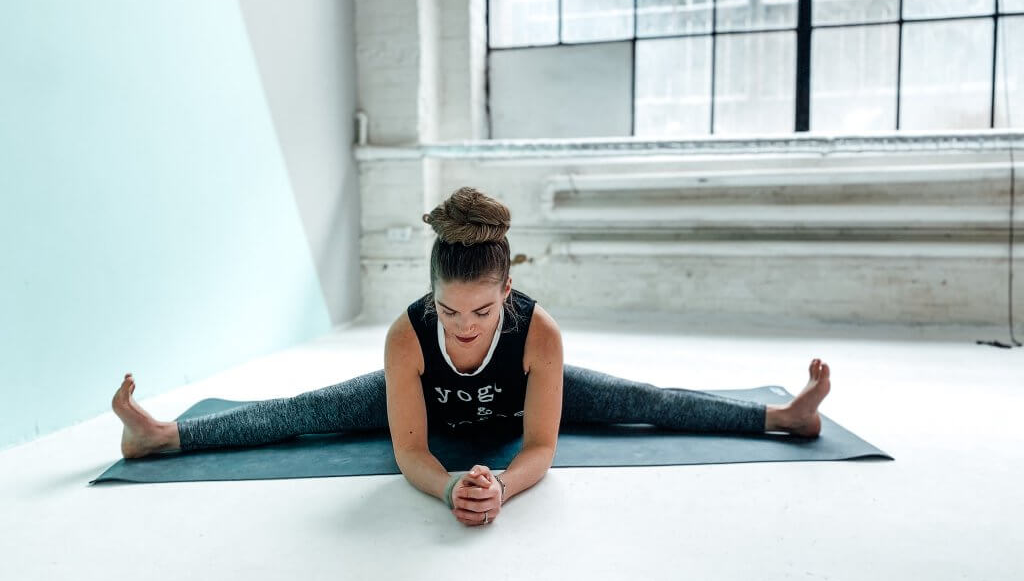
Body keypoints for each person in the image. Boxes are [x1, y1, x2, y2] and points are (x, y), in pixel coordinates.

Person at [112, 186, 832, 527]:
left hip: (518, 400)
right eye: (448, 312)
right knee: (306, 411)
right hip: (425, 405)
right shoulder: (407, 338)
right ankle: (162, 435)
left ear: (508, 291)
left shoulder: (539, 335)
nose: (463, 328)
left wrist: (504, 488)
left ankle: (783, 418)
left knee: (644, 401)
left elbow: (543, 444)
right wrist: (450, 489)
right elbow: (411, 452)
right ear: (429, 298)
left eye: (483, 313)